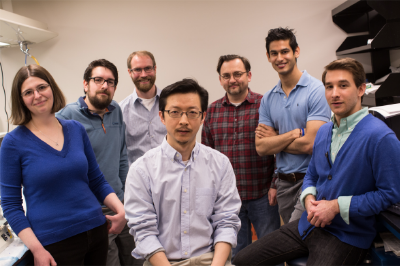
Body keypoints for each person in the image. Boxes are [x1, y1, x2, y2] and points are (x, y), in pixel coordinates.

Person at [233, 58, 400, 266]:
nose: (334, 93)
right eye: (329, 86)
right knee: (242, 260)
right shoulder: (324, 131)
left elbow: (389, 194)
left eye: (343, 85)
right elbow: (312, 174)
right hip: (308, 225)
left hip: (346, 235)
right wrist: (309, 197)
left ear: (361, 90)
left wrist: (336, 206)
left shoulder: (380, 137)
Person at [0, 65, 126, 266]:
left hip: (96, 230)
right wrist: (37, 249)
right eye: (28, 92)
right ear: (20, 99)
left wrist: (121, 210)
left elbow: (96, 180)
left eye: (42, 87)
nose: (38, 95)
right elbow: (11, 206)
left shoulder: (75, 129)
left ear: (52, 88)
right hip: (54, 242)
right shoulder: (13, 143)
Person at [124, 78, 241, 266]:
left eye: (192, 113)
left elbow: (226, 221)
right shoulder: (141, 170)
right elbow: (143, 231)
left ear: (203, 117)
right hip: (162, 262)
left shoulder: (220, 164)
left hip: (210, 260)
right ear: (161, 116)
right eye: (175, 112)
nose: (184, 121)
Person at [56, 59, 140, 265]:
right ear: (86, 84)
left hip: (121, 204)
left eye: (110, 82)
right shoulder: (66, 117)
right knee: (109, 262)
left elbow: (121, 156)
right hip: (94, 211)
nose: (105, 86)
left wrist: (126, 198)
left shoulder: (116, 110)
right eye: (98, 80)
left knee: (137, 259)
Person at [202, 54, 279, 258]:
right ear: (220, 79)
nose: (232, 79)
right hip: (228, 199)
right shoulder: (212, 111)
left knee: (270, 254)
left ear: (249, 75)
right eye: (226, 75)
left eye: (237, 74)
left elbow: (278, 149)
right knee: (238, 256)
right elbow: (206, 155)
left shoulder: (266, 104)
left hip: (263, 195)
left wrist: (275, 184)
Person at [255, 27, 331, 224]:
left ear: (296, 51)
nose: (280, 58)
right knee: (294, 245)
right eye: (274, 53)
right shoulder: (268, 99)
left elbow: (310, 144)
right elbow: (262, 147)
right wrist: (290, 135)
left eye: (285, 51)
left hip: (311, 180)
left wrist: (275, 137)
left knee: (300, 237)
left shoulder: (316, 90)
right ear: (268, 57)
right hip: (283, 184)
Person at [119, 51, 167, 166]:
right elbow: (120, 153)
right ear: (129, 72)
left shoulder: (171, 105)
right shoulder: (121, 110)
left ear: (155, 69)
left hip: (171, 176)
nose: (144, 74)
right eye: (137, 70)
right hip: (137, 179)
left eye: (148, 68)